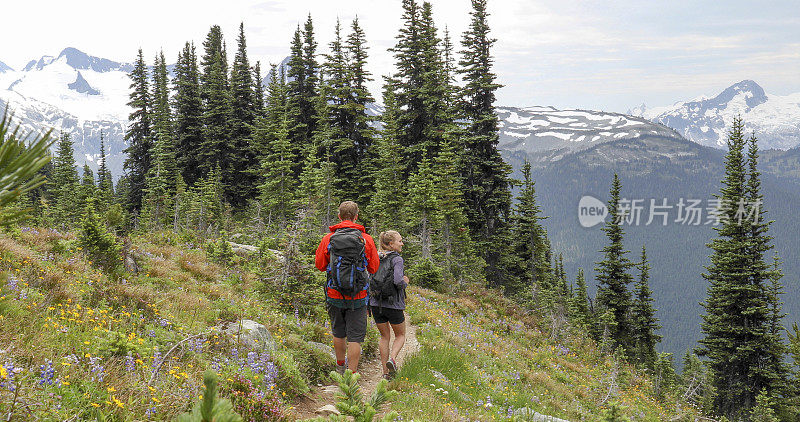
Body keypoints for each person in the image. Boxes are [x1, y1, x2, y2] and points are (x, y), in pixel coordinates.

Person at [315, 201, 379, 375]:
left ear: (339, 216)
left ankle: (340, 367)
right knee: (356, 338)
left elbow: (320, 265)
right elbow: (373, 268)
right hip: (358, 295)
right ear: (356, 216)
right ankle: (351, 375)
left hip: (334, 293)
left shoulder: (328, 238)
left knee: (338, 332)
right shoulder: (366, 239)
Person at [369, 230, 409, 379]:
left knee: (384, 337)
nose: (402, 243)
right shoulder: (397, 259)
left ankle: (385, 372)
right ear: (391, 244)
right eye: (400, 241)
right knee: (400, 335)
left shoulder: (375, 257)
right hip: (393, 304)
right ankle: (392, 359)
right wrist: (405, 283)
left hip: (375, 303)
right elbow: (398, 281)